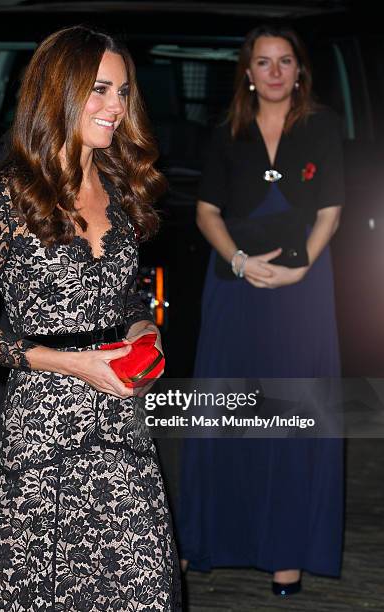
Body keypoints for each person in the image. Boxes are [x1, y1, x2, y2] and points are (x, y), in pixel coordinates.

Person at [0, 26, 181, 611]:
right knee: (37, 590)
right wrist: (71, 364)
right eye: (99, 90)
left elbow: (122, 296)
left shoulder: (120, 183)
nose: (115, 108)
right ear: (59, 92)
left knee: (141, 586)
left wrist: (140, 328)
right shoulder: (9, 192)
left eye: (124, 92)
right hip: (43, 426)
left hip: (120, 423)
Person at [177, 24, 344, 595]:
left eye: (285, 62)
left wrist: (301, 268)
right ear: (246, 73)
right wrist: (243, 263)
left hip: (303, 292)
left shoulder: (321, 127)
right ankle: (212, 541)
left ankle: (286, 554)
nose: (274, 72)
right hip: (234, 288)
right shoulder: (225, 133)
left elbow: (330, 213)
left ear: (300, 72)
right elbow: (206, 214)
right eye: (263, 63)